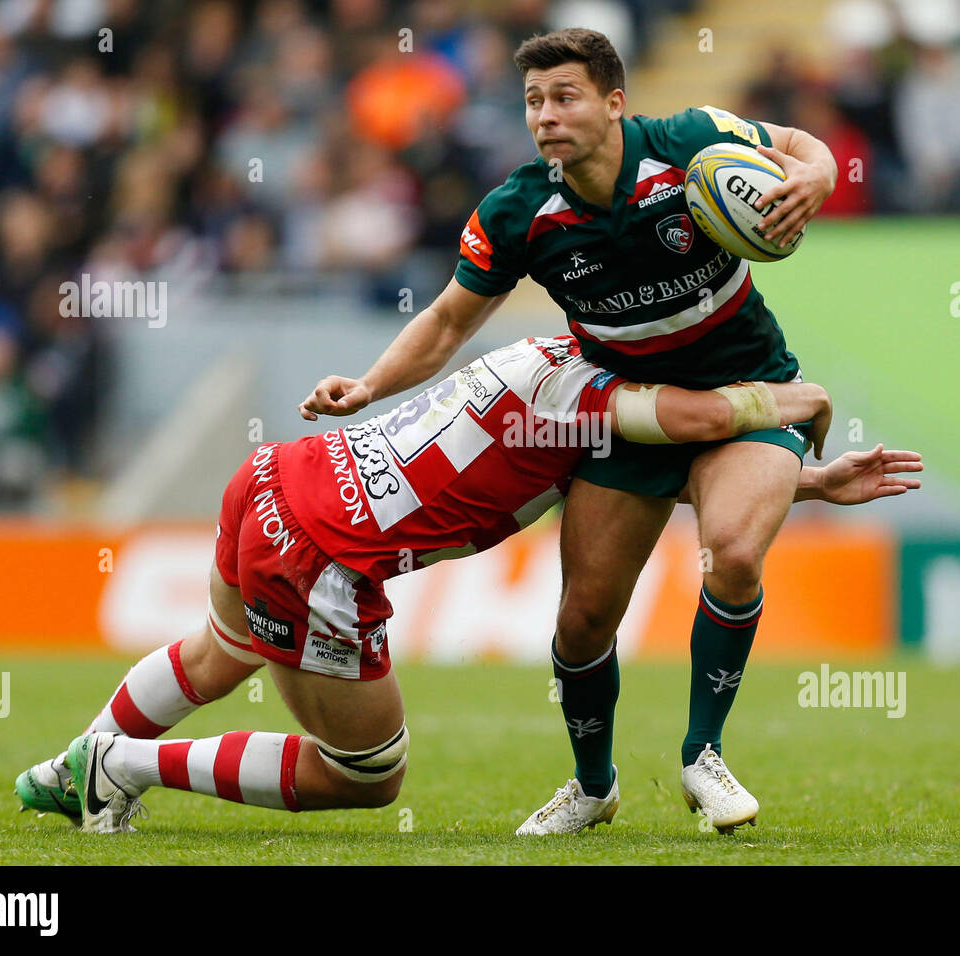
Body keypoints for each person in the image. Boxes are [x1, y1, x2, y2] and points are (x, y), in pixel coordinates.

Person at [16, 335, 894, 832]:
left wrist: (810, 483)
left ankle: (67, 769)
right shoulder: (592, 396)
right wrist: (797, 401)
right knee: (366, 775)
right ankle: (119, 764)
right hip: (323, 556)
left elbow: (671, 459)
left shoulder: (548, 350)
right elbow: (698, 419)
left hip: (275, 478)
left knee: (217, 652)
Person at [307, 27, 846, 833]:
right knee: (583, 618)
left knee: (732, 550)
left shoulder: (689, 143)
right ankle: (593, 786)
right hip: (627, 413)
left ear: (613, 103)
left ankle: (704, 757)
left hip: (753, 389)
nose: (546, 116)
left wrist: (814, 176)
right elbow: (451, 320)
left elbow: (804, 145)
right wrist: (370, 386)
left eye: (565, 97)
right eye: (533, 101)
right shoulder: (520, 209)